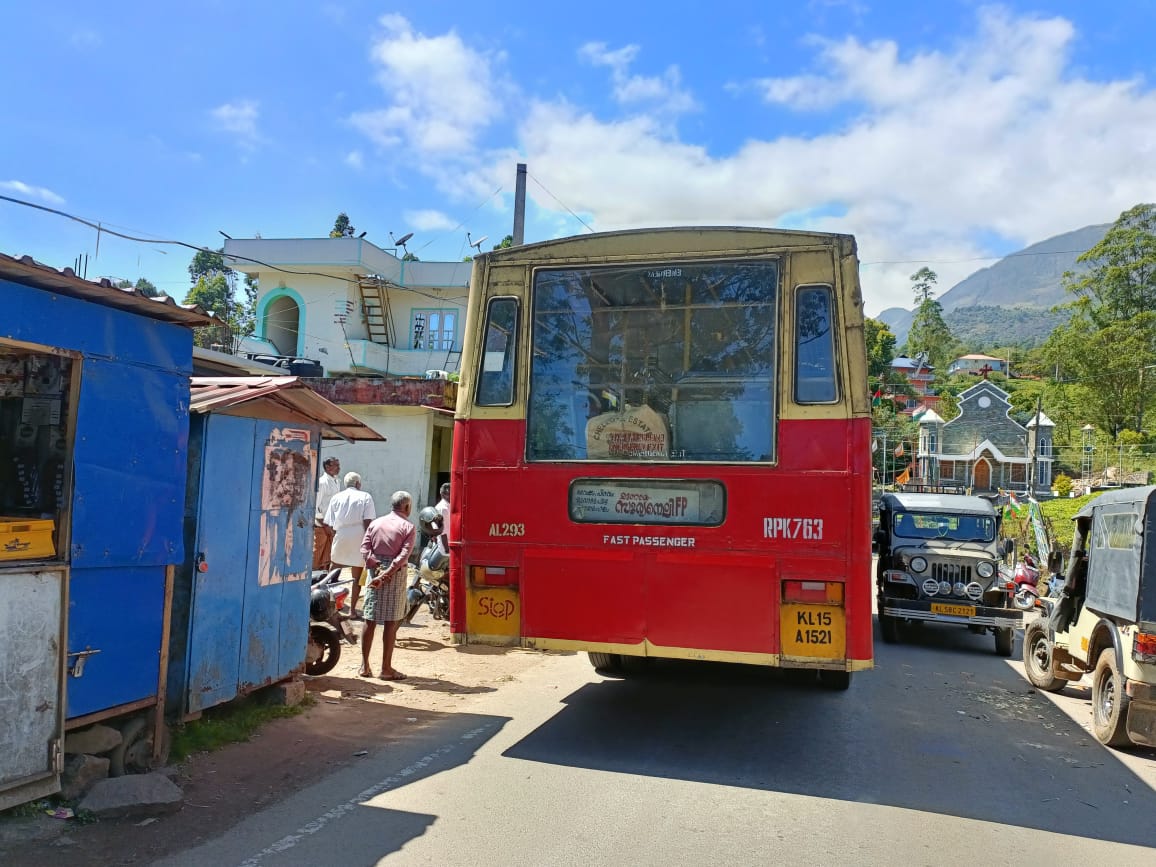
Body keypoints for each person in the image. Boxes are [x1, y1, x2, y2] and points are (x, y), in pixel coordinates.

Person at [359, 491, 417, 680]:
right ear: (407, 507)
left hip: (374, 572)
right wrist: (387, 573)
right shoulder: (408, 526)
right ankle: (386, 668)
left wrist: (375, 567)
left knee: (370, 618)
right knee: (391, 622)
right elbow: (403, 556)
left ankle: (364, 666)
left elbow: (364, 548)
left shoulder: (376, 523)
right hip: (394, 574)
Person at [324, 472, 375, 616]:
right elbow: (367, 521)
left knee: (333, 572)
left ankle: (330, 607)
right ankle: (352, 611)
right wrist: (368, 540)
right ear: (358, 484)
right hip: (359, 535)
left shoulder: (336, 497)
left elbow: (328, 521)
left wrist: (336, 535)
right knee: (356, 577)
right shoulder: (365, 496)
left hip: (341, 534)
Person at [313, 457, 341, 571]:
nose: (339, 468)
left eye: (338, 465)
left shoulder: (336, 481)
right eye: (336, 465)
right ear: (328, 467)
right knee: (317, 553)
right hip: (322, 525)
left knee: (328, 555)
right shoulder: (322, 482)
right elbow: (315, 505)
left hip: (332, 524)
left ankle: (322, 578)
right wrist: (324, 524)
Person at [434, 482, 451, 552]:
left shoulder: (447, 506)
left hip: (447, 545)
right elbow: (443, 531)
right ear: (443, 494)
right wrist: (447, 549)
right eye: (449, 493)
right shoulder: (443, 508)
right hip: (445, 547)